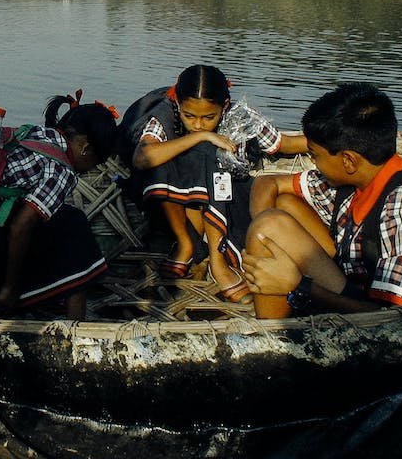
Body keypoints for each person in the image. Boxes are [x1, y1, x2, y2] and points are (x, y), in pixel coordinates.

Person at [241, 82, 402, 319]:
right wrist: (258, 240)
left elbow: (401, 319)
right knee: (272, 221)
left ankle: (275, 336)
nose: (314, 163)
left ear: (348, 161)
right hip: (361, 293)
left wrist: (298, 286)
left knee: (267, 228)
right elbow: (268, 184)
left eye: (315, 156)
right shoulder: (357, 181)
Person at [126, 65, 308, 303]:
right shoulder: (165, 115)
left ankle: (217, 257)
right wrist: (201, 137)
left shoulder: (241, 117)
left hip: (228, 197)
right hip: (177, 205)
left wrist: (332, 141)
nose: (197, 124)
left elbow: (283, 144)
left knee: (210, 158)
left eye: (208, 118)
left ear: (224, 106)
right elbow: (142, 158)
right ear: (178, 104)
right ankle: (186, 244)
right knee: (191, 152)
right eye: (189, 116)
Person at [0, 94, 119, 321]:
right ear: (86, 147)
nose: (88, 170)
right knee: (74, 223)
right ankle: (74, 320)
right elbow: (20, 227)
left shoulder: (34, 133)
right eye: (95, 163)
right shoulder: (62, 170)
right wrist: (10, 287)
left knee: (66, 216)